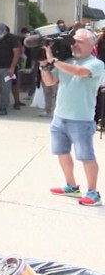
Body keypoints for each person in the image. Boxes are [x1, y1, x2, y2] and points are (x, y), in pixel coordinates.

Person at [39, 28, 104, 207]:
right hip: (60, 116)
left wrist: (54, 61)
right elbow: (50, 81)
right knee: (61, 152)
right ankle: (71, 186)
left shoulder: (96, 64)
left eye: (80, 42)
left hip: (81, 119)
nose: (75, 45)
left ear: (92, 44)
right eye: (74, 41)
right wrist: (44, 65)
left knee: (86, 156)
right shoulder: (66, 61)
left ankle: (93, 192)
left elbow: (79, 72)